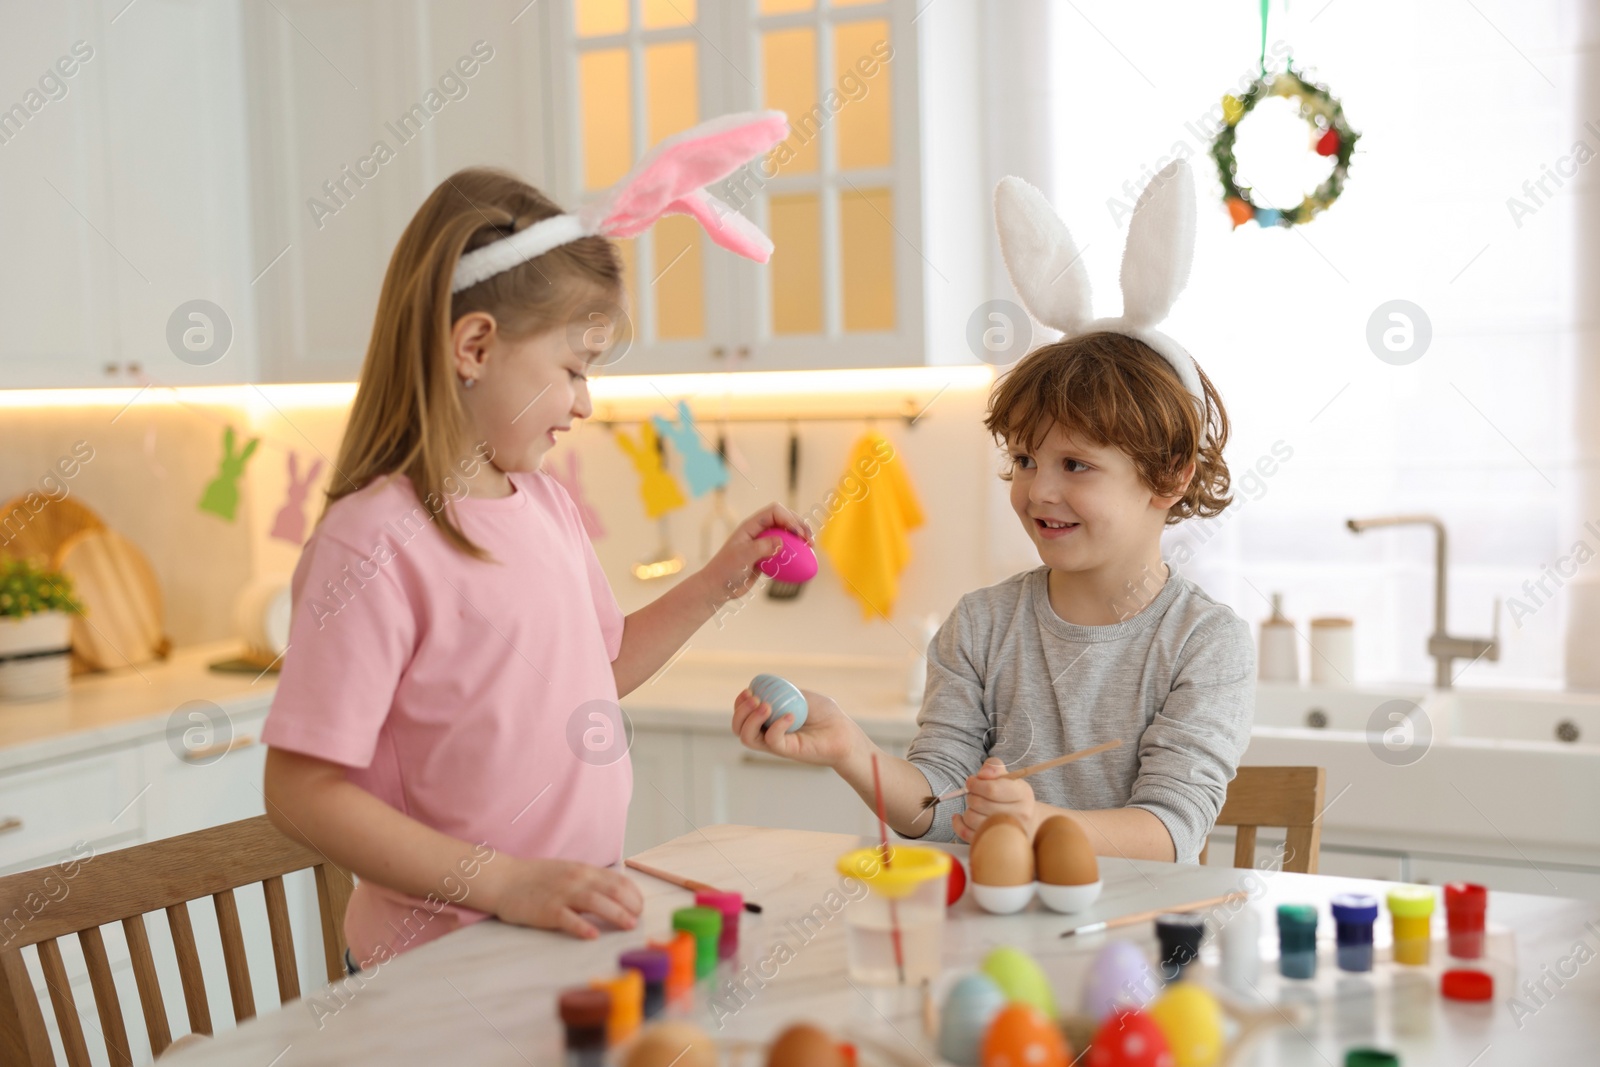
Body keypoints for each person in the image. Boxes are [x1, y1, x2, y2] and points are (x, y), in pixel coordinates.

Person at [262, 112, 805, 967]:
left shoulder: (545, 505)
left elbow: (603, 664)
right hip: (439, 966)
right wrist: (507, 880)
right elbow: (300, 789)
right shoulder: (372, 542)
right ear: (475, 346)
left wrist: (714, 582)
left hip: (557, 932)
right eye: (575, 368)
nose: (586, 404)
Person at [730, 160, 1255, 864]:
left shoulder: (1203, 643)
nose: (1039, 491)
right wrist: (850, 748)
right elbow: (938, 807)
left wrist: (1042, 822)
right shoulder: (981, 626)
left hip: (1141, 953)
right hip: (993, 940)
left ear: (1167, 476)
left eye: (1076, 466)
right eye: (1028, 461)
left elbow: (1170, 829)